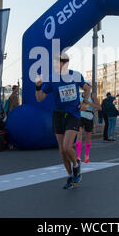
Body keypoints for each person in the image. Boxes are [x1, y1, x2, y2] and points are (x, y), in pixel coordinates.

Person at [35, 52, 89, 189]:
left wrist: (85, 102)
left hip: (72, 114)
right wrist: (38, 86)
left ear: (64, 63)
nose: (54, 65)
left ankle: (76, 165)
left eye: (56, 63)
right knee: (62, 151)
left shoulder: (76, 75)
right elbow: (40, 98)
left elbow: (87, 88)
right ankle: (71, 176)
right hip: (58, 115)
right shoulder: (52, 79)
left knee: (67, 146)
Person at [76, 84, 101, 163]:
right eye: (85, 86)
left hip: (89, 117)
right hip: (80, 116)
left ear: (90, 87)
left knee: (88, 138)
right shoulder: (79, 95)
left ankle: (87, 155)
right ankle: (78, 157)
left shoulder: (92, 96)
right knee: (79, 136)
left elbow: (99, 108)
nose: (86, 88)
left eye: (88, 86)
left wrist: (90, 104)